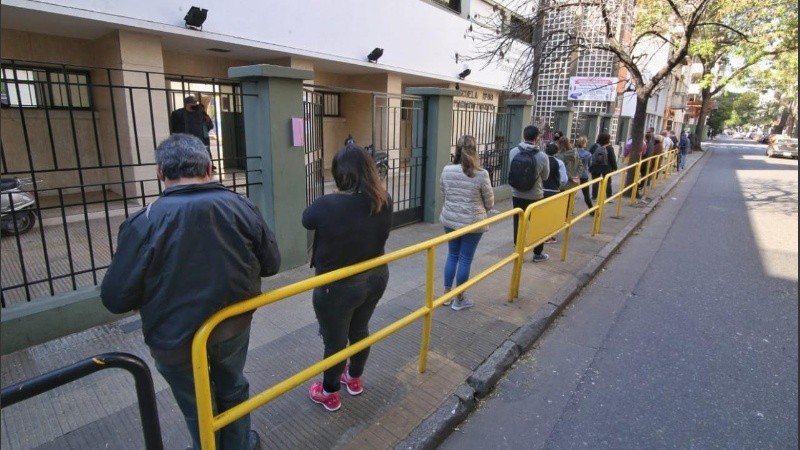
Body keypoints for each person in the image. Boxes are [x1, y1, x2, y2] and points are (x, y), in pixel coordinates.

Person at [101, 133, 281, 450]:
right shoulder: (241, 206)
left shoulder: (144, 221)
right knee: (233, 387)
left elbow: (115, 298)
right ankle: (239, 445)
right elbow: (272, 264)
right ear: (210, 168)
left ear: (160, 172)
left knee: (196, 403)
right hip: (231, 326)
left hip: (173, 339)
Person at [302, 143, 392, 412]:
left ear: (340, 174)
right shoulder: (383, 199)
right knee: (360, 330)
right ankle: (353, 378)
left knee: (335, 341)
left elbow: (307, 219)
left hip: (338, 286)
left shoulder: (328, 204)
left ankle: (329, 391)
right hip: (376, 276)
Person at [439, 135, 494, 311]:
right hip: (472, 222)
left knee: (452, 255)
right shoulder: (481, 174)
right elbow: (490, 202)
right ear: (475, 150)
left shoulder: (447, 170)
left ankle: (447, 295)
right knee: (465, 258)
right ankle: (459, 298)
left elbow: (444, 193)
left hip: (450, 220)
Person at [509, 125, 550, 263]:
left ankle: (517, 250)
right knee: (537, 224)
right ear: (537, 138)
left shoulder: (513, 152)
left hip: (517, 194)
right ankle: (537, 253)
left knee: (518, 221)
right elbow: (545, 177)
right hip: (535, 195)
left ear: (524, 135)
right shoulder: (542, 156)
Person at [171, 95, 216, 171]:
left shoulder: (200, 113)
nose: (195, 105)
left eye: (195, 103)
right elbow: (174, 128)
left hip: (200, 139)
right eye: (192, 103)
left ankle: (205, 167)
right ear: (187, 104)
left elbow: (210, 125)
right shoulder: (178, 113)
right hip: (185, 140)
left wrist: (207, 119)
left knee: (202, 154)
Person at [589, 132, 618, 201]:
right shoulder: (609, 148)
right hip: (606, 167)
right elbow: (612, 159)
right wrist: (615, 168)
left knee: (595, 182)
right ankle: (609, 197)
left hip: (595, 167)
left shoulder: (594, 146)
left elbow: (589, 155)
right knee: (608, 182)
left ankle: (594, 197)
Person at [575, 135, 594, 212]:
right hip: (584, 175)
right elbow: (590, 165)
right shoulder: (588, 154)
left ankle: (568, 213)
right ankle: (592, 211)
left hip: (575, 175)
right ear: (585, 143)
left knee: (571, 194)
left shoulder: (573, 152)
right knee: (586, 195)